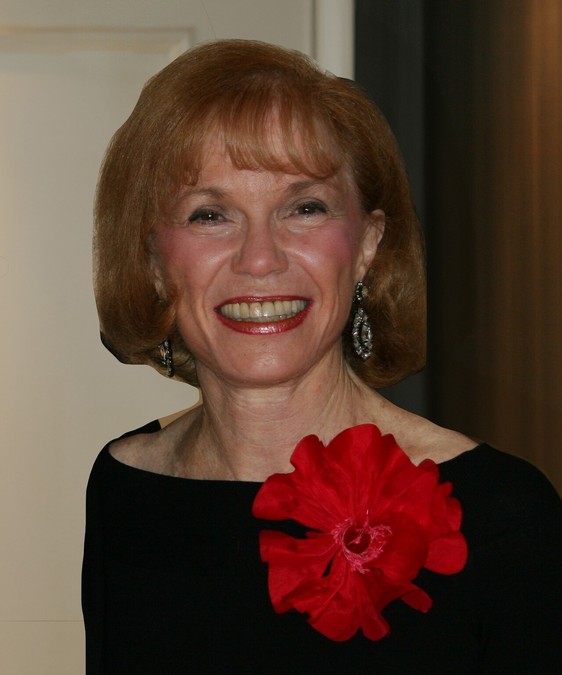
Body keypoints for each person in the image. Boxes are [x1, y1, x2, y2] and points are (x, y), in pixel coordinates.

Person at [83, 39, 561, 674]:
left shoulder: (503, 515)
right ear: (153, 260)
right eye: (209, 215)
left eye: (305, 208)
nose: (260, 259)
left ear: (366, 245)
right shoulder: (125, 488)